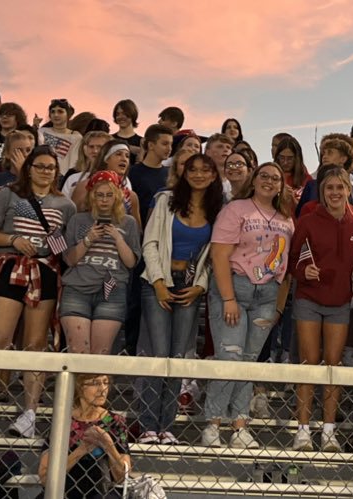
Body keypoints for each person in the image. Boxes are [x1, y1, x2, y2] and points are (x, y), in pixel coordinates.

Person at [0, 146, 77, 438]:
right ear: (29, 168)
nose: (46, 171)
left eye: (51, 167)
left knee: (35, 344)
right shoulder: (8, 194)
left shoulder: (65, 205)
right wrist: (13, 239)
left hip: (44, 271)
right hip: (10, 266)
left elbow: (64, 248)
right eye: (40, 166)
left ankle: (29, 413)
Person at [203, 162, 294, 448]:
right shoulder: (236, 209)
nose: (269, 181)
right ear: (254, 180)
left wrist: (278, 306)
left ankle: (240, 425)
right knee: (229, 358)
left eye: (275, 178)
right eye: (264, 176)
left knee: (248, 362)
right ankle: (213, 424)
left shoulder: (287, 219)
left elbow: (285, 267)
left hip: (267, 295)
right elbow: (219, 254)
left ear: (281, 185)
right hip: (235, 287)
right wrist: (228, 298)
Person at [137, 153, 223, 445]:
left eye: (205, 170)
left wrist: (201, 285)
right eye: (193, 169)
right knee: (158, 355)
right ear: (184, 173)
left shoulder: (218, 210)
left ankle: (166, 427)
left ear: (214, 175)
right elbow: (149, 242)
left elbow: (215, 256)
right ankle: (148, 424)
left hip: (190, 288)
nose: (198, 174)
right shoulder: (165, 200)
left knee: (178, 359)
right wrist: (159, 282)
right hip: (158, 283)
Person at [288, 167, 353, 452]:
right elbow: (292, 261)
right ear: (322, 191)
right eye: (329, 187)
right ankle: (303, 432)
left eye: (339, 187)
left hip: (339, 303)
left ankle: (329, 432)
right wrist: (303, 271)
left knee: (333, 366)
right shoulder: (307, 221)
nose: (334, 193)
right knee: (309, 363)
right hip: (309, 298)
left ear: (347, 190)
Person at [59, 172, 140, 355]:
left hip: (111, 290)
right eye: (99, 195)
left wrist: (118, 238)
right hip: (77, 289)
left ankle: (97, 385)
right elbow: (69, 259)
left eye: (109, 195)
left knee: (100, 355)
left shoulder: (128, 223)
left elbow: (131, 262)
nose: (104, 200)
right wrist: (88, 239)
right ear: (92, 196)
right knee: (78, 353)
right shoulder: (78, 220)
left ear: (117, 196)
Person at [38, 373, 131, 499]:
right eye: (95, 383)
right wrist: (82, 449)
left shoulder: (115, 422)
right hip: (66, 491)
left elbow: (122, 478)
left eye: (105, 382)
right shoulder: (63, 421)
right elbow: (44, 478)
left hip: (103, 492)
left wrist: (108, 445)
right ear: (79, 387)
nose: (102, 389)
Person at [129, 124, 176, 215]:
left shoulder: (170, 174)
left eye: (171, 144)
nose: (169, 148)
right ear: (151, 145)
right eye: (165, 144)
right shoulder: (133, 173)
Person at [38, 99, 83, 173]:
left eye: (60, 111)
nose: (56, 115)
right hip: (44, 173)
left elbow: (74, 162)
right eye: (53, 112)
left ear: (68, 115)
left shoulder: (76, 137)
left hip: (65, 177)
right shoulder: (42, 132)